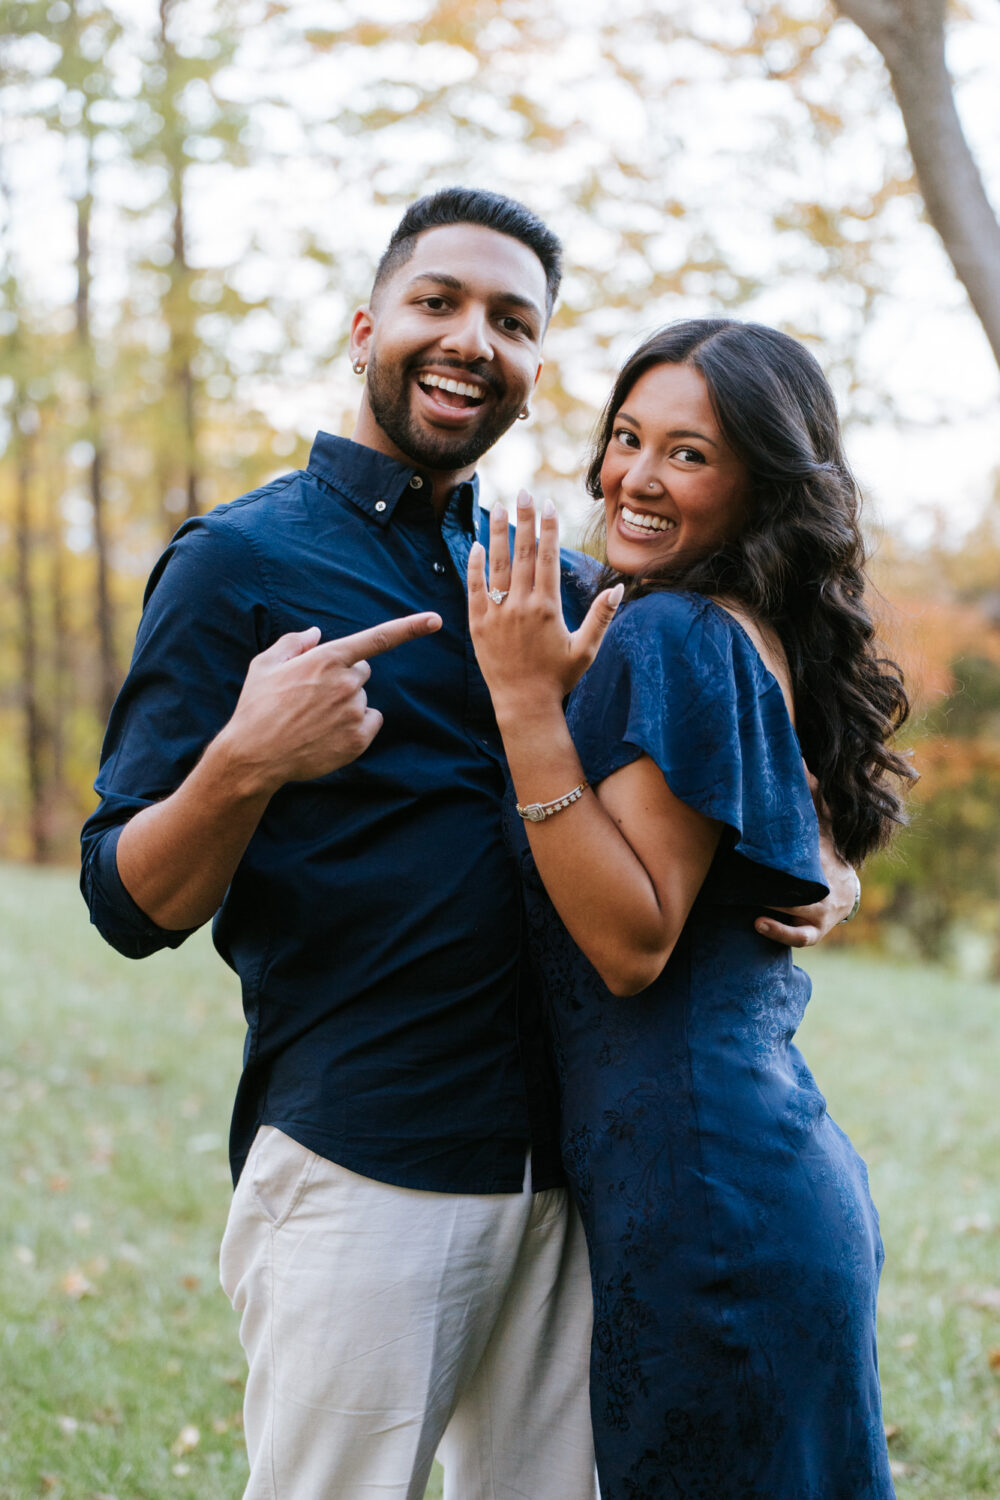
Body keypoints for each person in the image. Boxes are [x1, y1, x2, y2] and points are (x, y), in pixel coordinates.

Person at [80, 191, 857, 1500]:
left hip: (579, 1184)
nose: (470, 340)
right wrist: (245, 759)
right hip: (370, 1164)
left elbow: (732, 744)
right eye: (437, 302)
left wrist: (823, 866)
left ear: (535, 367)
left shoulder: (558, 579)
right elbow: (125, 900)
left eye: (511, 320)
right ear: (365, 327)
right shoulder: (236, 564)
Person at [467, 319, 913, 1499]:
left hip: (707, 1200)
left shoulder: (674, 633)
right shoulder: (698, 621)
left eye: (689, 453)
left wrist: (525, 711)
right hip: (739, 1175)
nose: (637, 478)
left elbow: (631, 943)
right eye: (626, 437)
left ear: (764, 485)